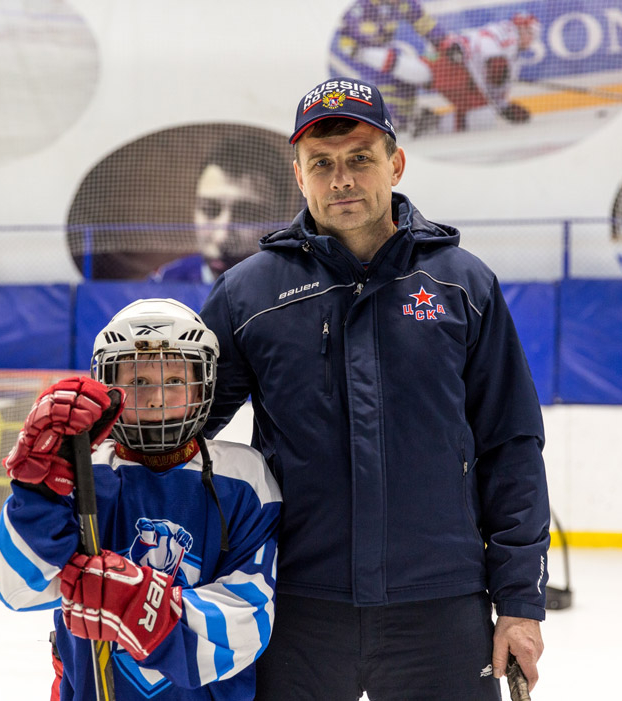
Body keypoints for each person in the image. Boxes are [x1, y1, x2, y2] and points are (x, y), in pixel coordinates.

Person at [199, 77, 549, 700]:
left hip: (439, 604)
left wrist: (520, 603)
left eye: (360, 159)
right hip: (296, 607)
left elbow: (511, 446)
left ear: (396, 163)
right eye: (322, 165)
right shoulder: (248, 295)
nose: (343, 180)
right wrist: (96, 441)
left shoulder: (463, 286)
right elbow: (181, 431)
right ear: (299, 177)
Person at [0, 298, 282, 700]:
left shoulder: (243, 478)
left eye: (175, 381)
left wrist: (137, 605)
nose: (157, 397)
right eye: (139, 382)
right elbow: (17, 587)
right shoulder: (80, 473)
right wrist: (39, 490)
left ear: (204, 384)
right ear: (112, 386)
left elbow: (247, 624)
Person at [152, 134, 299, 284]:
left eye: (247, 215)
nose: (222, 238)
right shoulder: (166, 283)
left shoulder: (298, 287)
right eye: (209, 210)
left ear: (281, 222)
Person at [330, 0, 449, 132]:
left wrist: (444, 42)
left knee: (402, 66)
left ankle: (404, 118)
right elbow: (356, 30)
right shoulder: (361, 5)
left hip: (383, 48)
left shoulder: (403, 3)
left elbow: (423, 23)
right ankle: (387, 119)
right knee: (391, 64)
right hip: (356, 51)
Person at [428, 12, 540, 133]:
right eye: (532, 34)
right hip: (449, 63)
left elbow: (494, 91)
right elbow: (490, 51)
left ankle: (430, 123)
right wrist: (497, 65)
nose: (532, 40)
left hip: (463, 78)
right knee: (419, 72)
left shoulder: (514, 60)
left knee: (484, 117)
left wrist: (505, 108)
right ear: (523, 30)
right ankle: (423, 122)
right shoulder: (508, 33)